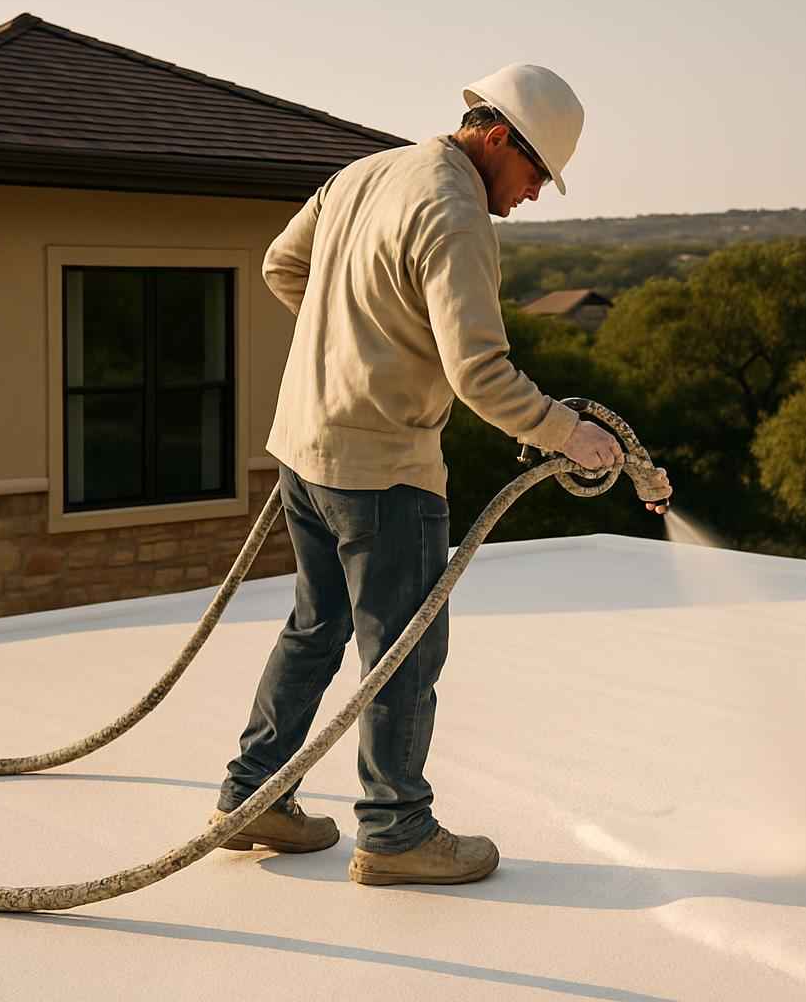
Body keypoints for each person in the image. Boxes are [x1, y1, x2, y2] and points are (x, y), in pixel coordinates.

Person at [215, 64, 670, 886]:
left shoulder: (364, 173)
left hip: (303, 446)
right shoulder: (456, 212)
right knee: (404, 649)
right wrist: (572, 434)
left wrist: (351, 345)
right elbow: (481, 376)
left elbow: (282, 269)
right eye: (534, 175)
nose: (532, 196)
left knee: (316, 628)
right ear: (496, 139)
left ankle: (251, 799)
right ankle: (395, 834)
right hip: (383, 469)